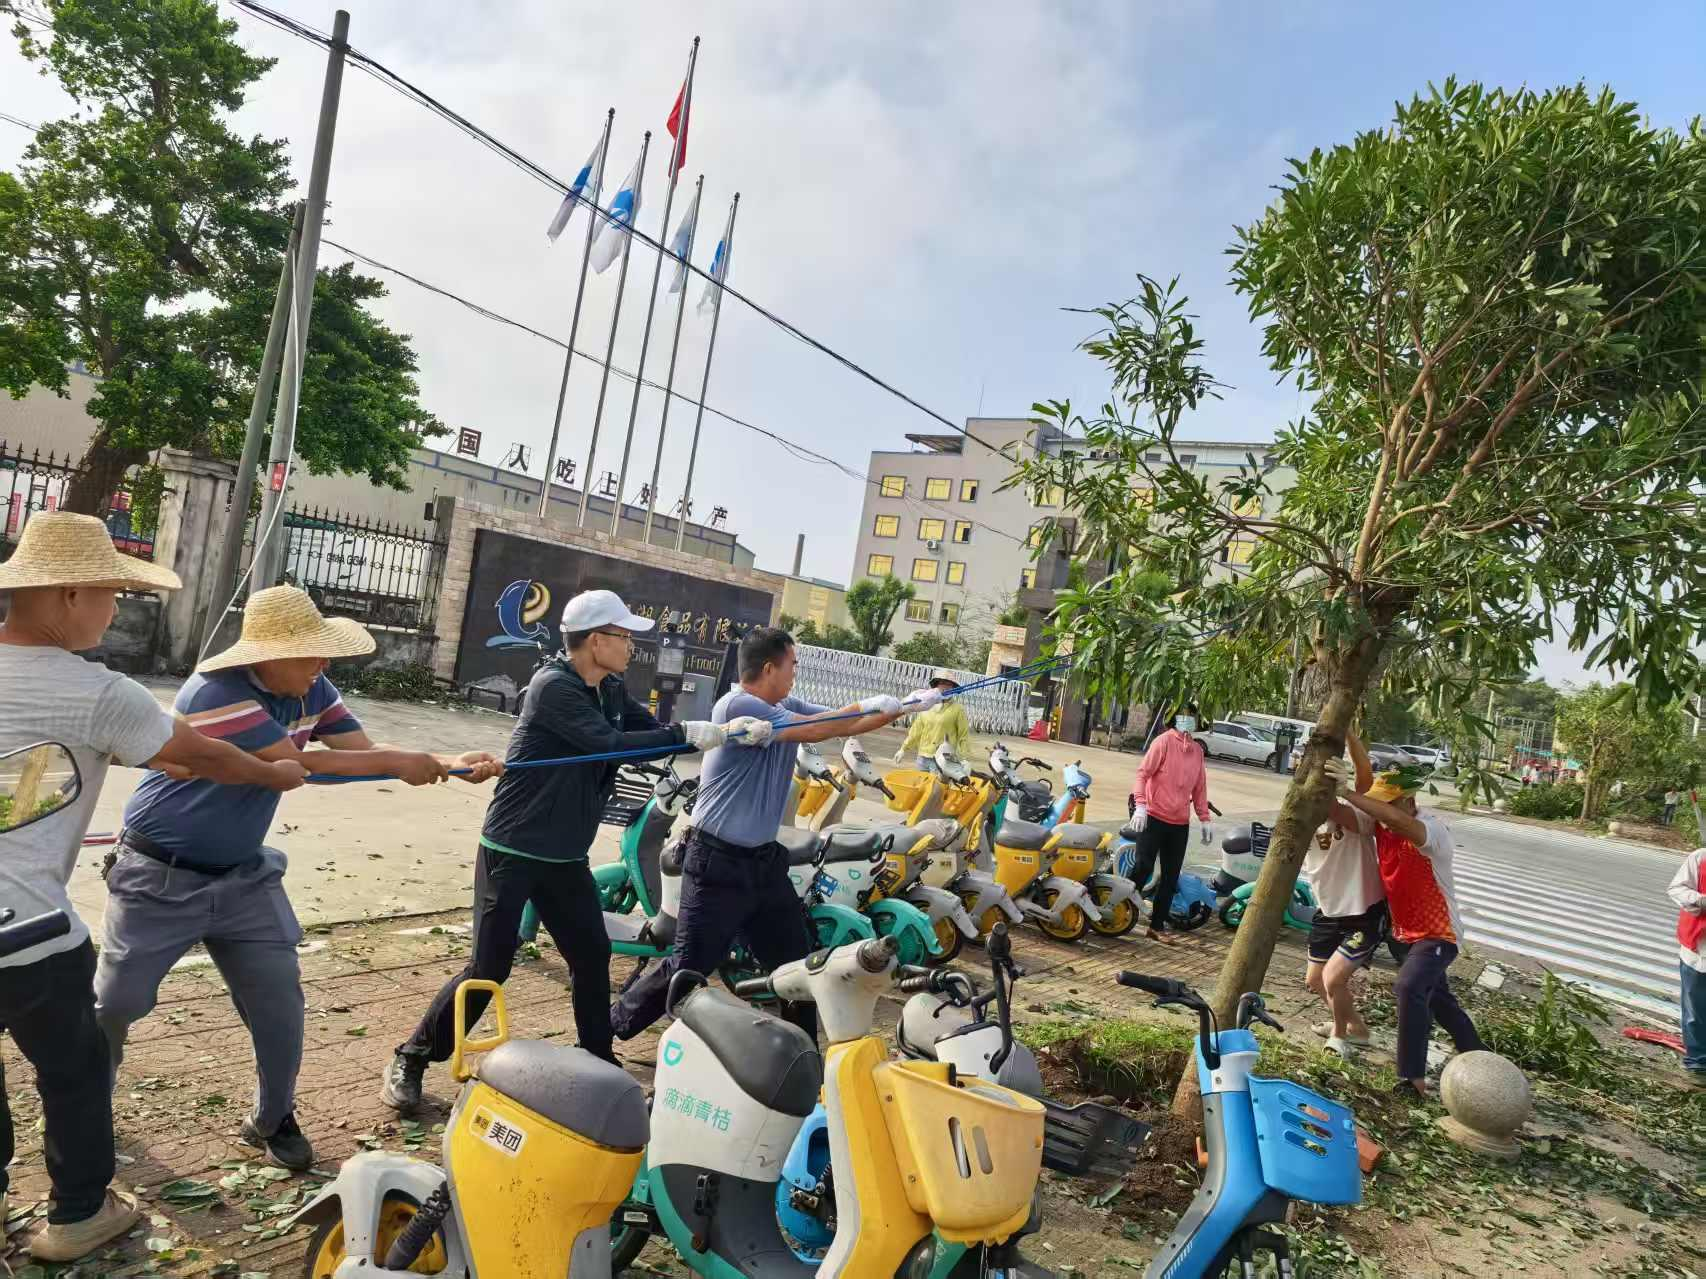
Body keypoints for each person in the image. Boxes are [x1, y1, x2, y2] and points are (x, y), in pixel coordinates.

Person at [98, 586, 502, 1171]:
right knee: (115, 1003)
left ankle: (272, 1116)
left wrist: (450, 764)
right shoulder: (216, 693)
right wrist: (398, 762)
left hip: (243, 878)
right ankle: (87, 1105)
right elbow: (299, 766)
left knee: (280, 1002)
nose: (323, 666)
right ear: (262, 654)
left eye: (323, 654)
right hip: (159, 875)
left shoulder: (313, 686)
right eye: (309, 655)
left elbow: (356, 754)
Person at [0, 514, 308, 1261]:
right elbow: (208, 757)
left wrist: (150, 755)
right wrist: (275, 772)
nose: (117, 610)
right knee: (73, 1071)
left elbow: (24, 772)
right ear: (68, 593)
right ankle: (77, 1213)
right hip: (29, 932)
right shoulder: (98, 690)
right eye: (112, 593)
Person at [384, 590, 771, 1109]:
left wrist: (721, 734)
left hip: (565, 857)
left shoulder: (609, 689)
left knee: (591, 955)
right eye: (623, 636)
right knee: (490, 967)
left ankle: (598, 1060)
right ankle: (412, 1055)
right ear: (595, 640)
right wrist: (696, 732)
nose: (632, 646)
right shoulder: (552, 687)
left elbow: (648, 734)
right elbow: (606, 745)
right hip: (513, 847)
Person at [610, 626, 930, 1041]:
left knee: (801, 966)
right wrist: (871, 704)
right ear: (768, 668)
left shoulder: (783, 703)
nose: (795, 673)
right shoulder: (738, 706)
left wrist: (906, 706)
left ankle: (801, 1054)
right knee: (687, 968)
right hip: (717, 863)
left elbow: (842, 723)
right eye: (792, 665)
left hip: (762, 863)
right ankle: (608, 1029)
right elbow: (819, 729)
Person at [1324, 759, 1484, 1096]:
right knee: (1440, 1000)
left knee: (1409, 987)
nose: (1381, 814)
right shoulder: (1382, 826)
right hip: (1406, 933)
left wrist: (1350, 792)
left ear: (1409, 802)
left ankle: (1412, 1078)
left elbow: (1396, 820)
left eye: (1387, 805)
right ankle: (1480, 1059)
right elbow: (1339, 814)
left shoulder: (1431, 831)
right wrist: (1325, 782)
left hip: (1439, 934)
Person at [1304, 730, 1387, 1058]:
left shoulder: (1359, 816)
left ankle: (1340, 1036)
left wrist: (1350, 736)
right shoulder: (1304, 821)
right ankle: (1357, 1028)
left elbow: (1364, 784)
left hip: (1364, 913)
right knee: (1315, 981)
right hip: (1328, 910)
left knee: (1333, 978)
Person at [1127, 701, 1212, 944]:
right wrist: (1140, 805)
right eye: (1183, 715)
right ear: (1174, 719)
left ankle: (1156, 925)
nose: (1187, 719)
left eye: (1191, 716)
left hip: (1179, 823)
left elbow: (1199, 787)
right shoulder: (1162, 742)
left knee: (1170, 876)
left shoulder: (1197, 751)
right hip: (1153, 816)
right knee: (1142, 867)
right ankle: (1122, 913)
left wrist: (1204, 818)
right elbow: (1143, 774)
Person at [1669, 844, 1706, 1085]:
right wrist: (1701, 900)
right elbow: (1677, 889)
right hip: (1698, 950)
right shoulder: (1700, 858)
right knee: (1696, 1011)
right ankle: (1698, 1063)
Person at [893, 669, 970, 768]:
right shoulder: (926, 705)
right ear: (936, 685)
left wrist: (964, 758)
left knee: (937, 784)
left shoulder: (958, 709)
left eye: (949, 684)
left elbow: (963, 735)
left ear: (953, 687)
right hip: (923, 757)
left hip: (943, 759)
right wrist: (903, 749)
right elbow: (916, 730)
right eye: (942, 683)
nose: (945, 687)